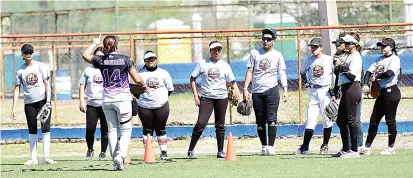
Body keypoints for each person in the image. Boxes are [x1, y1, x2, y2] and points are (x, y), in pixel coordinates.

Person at [82, 35, 145, 170]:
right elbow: (137, 79)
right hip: (122, 98)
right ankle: (120, 155)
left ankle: (115, 160)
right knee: (126, 129)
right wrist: (143, 84)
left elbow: (85, 55)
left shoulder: (101, 60)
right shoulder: (125, 59)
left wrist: (94, 43)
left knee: (112, 130)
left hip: (107, 99)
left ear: (105, 46)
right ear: (117, 45)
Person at [187, 41, 240, 159]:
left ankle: (220, 151)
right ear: (210, 51)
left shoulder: (225, 65)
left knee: (220, 125)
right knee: (201, 123)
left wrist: (239, 96)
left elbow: (232, 82)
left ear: (221, 51)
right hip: (206, 98)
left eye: (219, 50)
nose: (216, 52)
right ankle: (191, 150)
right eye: (214, 49)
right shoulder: (203, 63)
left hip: (221, 98)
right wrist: (196, 96)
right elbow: (192, 78)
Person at [243, 29, 288, 156]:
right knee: (260, 121)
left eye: (268, 39)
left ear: (274, 40)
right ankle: (263, 146)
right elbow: (250, 71)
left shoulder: (278, 55)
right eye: (264, 38)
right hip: (257, 91)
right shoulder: (254, 53)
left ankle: (271, 147)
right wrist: (245, 88)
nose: (265, 41)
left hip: (272, 90)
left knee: (272, 119)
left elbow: (282, 72)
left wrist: (285, 89)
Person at [12, 44, 57, 165]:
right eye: (26, 52)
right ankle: (33, 158)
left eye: (30, 52)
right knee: (32, 130)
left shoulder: (41, 66)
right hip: (29, 104)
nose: (28, 54)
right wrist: (13, 108)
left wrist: (48, 102)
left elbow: (47, 84)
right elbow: (17, 89)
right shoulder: (20, 71)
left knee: (45, 129)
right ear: (22, 54)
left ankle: (46, 157)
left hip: (43, 102)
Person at [359, 38, 401, 155]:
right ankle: (367, 147)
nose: (382, 48)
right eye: (381, 46)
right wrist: (365, 83)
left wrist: (377, 76)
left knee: (390, 120)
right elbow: (368, 72)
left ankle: (391, 147)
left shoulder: (395, 59)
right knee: (374, 120)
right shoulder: (379, 59)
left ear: (391, 47)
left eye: (384, 46)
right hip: (381, 93)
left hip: (392, 91)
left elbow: (390, 73)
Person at [296, 38, 333, 155]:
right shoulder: (309, 60)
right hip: (313, 91)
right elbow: (302, 72)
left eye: (316, 47)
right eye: (312, 47)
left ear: (321, 47)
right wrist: (306, 81)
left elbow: (336, 73)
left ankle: (325, 145)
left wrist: (335, 91)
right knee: (311, 120)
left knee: (327, 119)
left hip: (326, 90)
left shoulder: (328, 59)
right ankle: (305, 146)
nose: (313, 49)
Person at [137, 51, 174, 160]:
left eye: (152, 59)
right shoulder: (141, 74)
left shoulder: (164, 73)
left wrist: (161, 99)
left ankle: (163, 152)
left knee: (161, 129)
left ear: (156, 60)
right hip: (144, 106)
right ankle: (148, 153)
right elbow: (135, 90)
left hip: (161, 105)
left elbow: (170, 89)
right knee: (147, 130)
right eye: (148, 59)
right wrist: (144, 98)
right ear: (144, 61)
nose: (151, 61)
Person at [332, 34, 363, 158]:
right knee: (341, 120)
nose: (346, 45)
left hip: (352, 87)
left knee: (351, 119)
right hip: (346, 88)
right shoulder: (349, 56)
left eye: (348, 43)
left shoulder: (356, 57)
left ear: (354, 45)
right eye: (345, 43)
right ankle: (346, 148)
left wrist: (343, 67)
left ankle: (354, 150)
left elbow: (353, 76)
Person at [79, 47, 108, 161]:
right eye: (97, 56)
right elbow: (82, 85)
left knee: (105, 130)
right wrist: (82, 101)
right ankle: (90, 150)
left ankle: (103, 153)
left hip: (105, 104)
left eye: (101, 56)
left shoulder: (107, 69)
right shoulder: (88, 70)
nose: (99, 58)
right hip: (91, 104)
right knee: (90, 129)